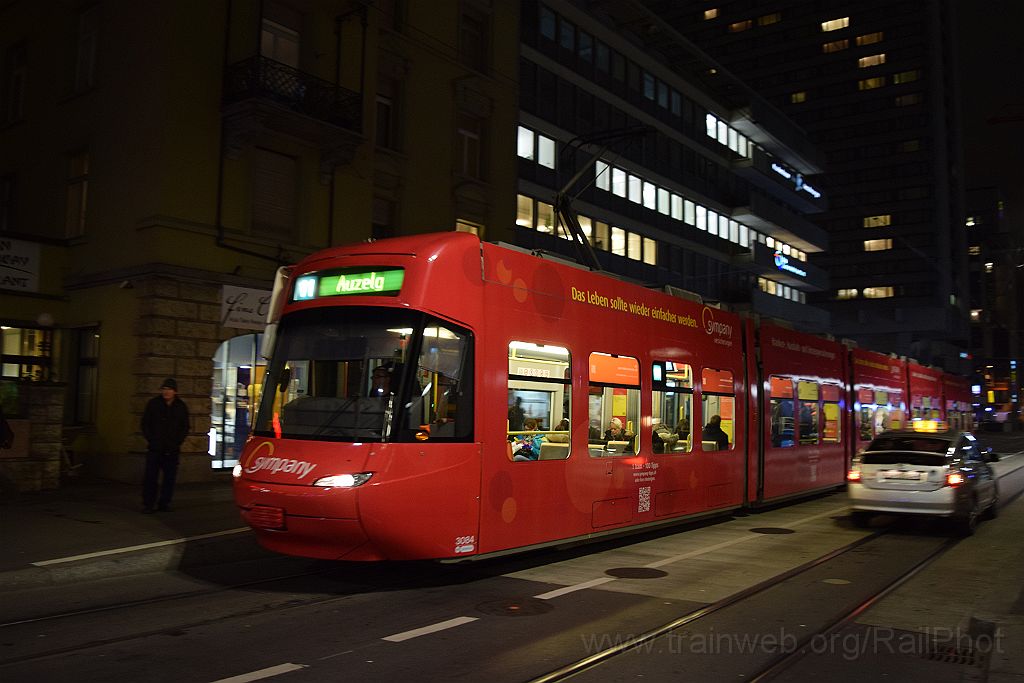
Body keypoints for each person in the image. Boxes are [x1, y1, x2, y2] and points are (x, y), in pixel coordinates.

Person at [140, 378, 190, 513]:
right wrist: (151, 439)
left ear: (175, 391)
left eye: (169, 389)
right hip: (155, 448)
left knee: (169, 478)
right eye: (164, 389)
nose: (166, 392)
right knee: (151, 477)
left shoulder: (180, 406)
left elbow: (184, 427)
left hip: (171, 449)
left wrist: (176, 442)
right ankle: (148, 504)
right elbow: (145, 424)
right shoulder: (154, 404)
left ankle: (164, 503)